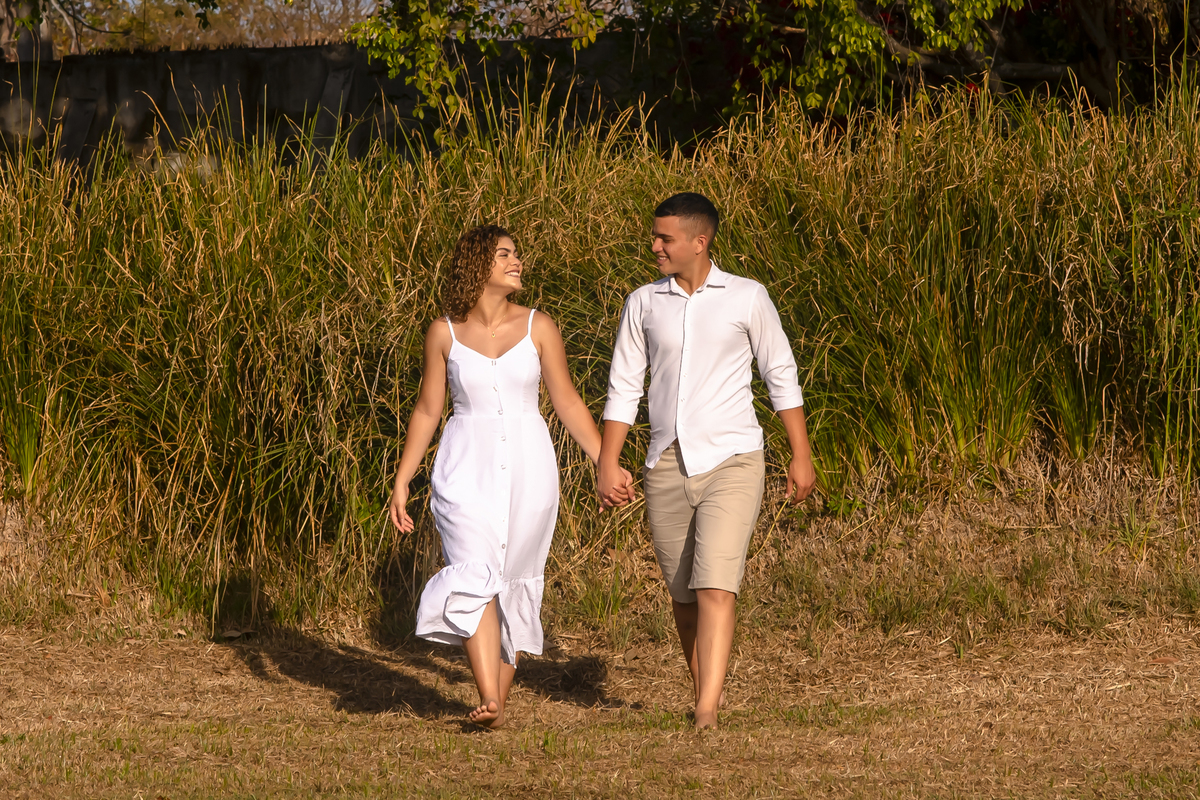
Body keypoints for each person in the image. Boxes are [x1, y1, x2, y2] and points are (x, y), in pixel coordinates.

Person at [388, 225, 632, 729]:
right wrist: (403, 478)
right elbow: (428, 409)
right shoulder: (444, 333)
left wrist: (604, 462)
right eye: (505, 255)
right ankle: (488, 695)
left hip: (530, 468)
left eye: (516, 254)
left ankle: (493, 705)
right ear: (478, 265)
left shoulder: (540, 326)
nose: (517, 262)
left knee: (514, 579)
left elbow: (566, 401)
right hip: (464, 465)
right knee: (473, 570)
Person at [596, 192, 816, 730]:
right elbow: (624, 387)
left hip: (734, 458)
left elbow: (779, 373)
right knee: (683, 596)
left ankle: (707, 711)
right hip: (665, 464)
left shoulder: (747, 297)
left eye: (665, 238)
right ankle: (704, 692)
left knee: (717, 584)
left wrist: (801, 453)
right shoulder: (643, 303)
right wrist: (608, 461)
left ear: (700, 241)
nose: (655, 246)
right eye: (655, 236)